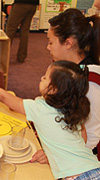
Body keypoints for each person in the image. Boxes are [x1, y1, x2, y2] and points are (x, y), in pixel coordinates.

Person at [0, 61, 100, 179]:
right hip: (94, 167)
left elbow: (5, 97)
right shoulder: (73, 109)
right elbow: (82, 139)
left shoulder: (40, 108)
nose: (41, 78)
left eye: (44, 78)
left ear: (54, 89)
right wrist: (52, 150)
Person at [31, 8, 100, 164]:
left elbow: (91, 136)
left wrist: (55, 153)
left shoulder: (91, 81)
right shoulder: (64, 69)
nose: (47, 47)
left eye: (50, 42)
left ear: (68, 43)